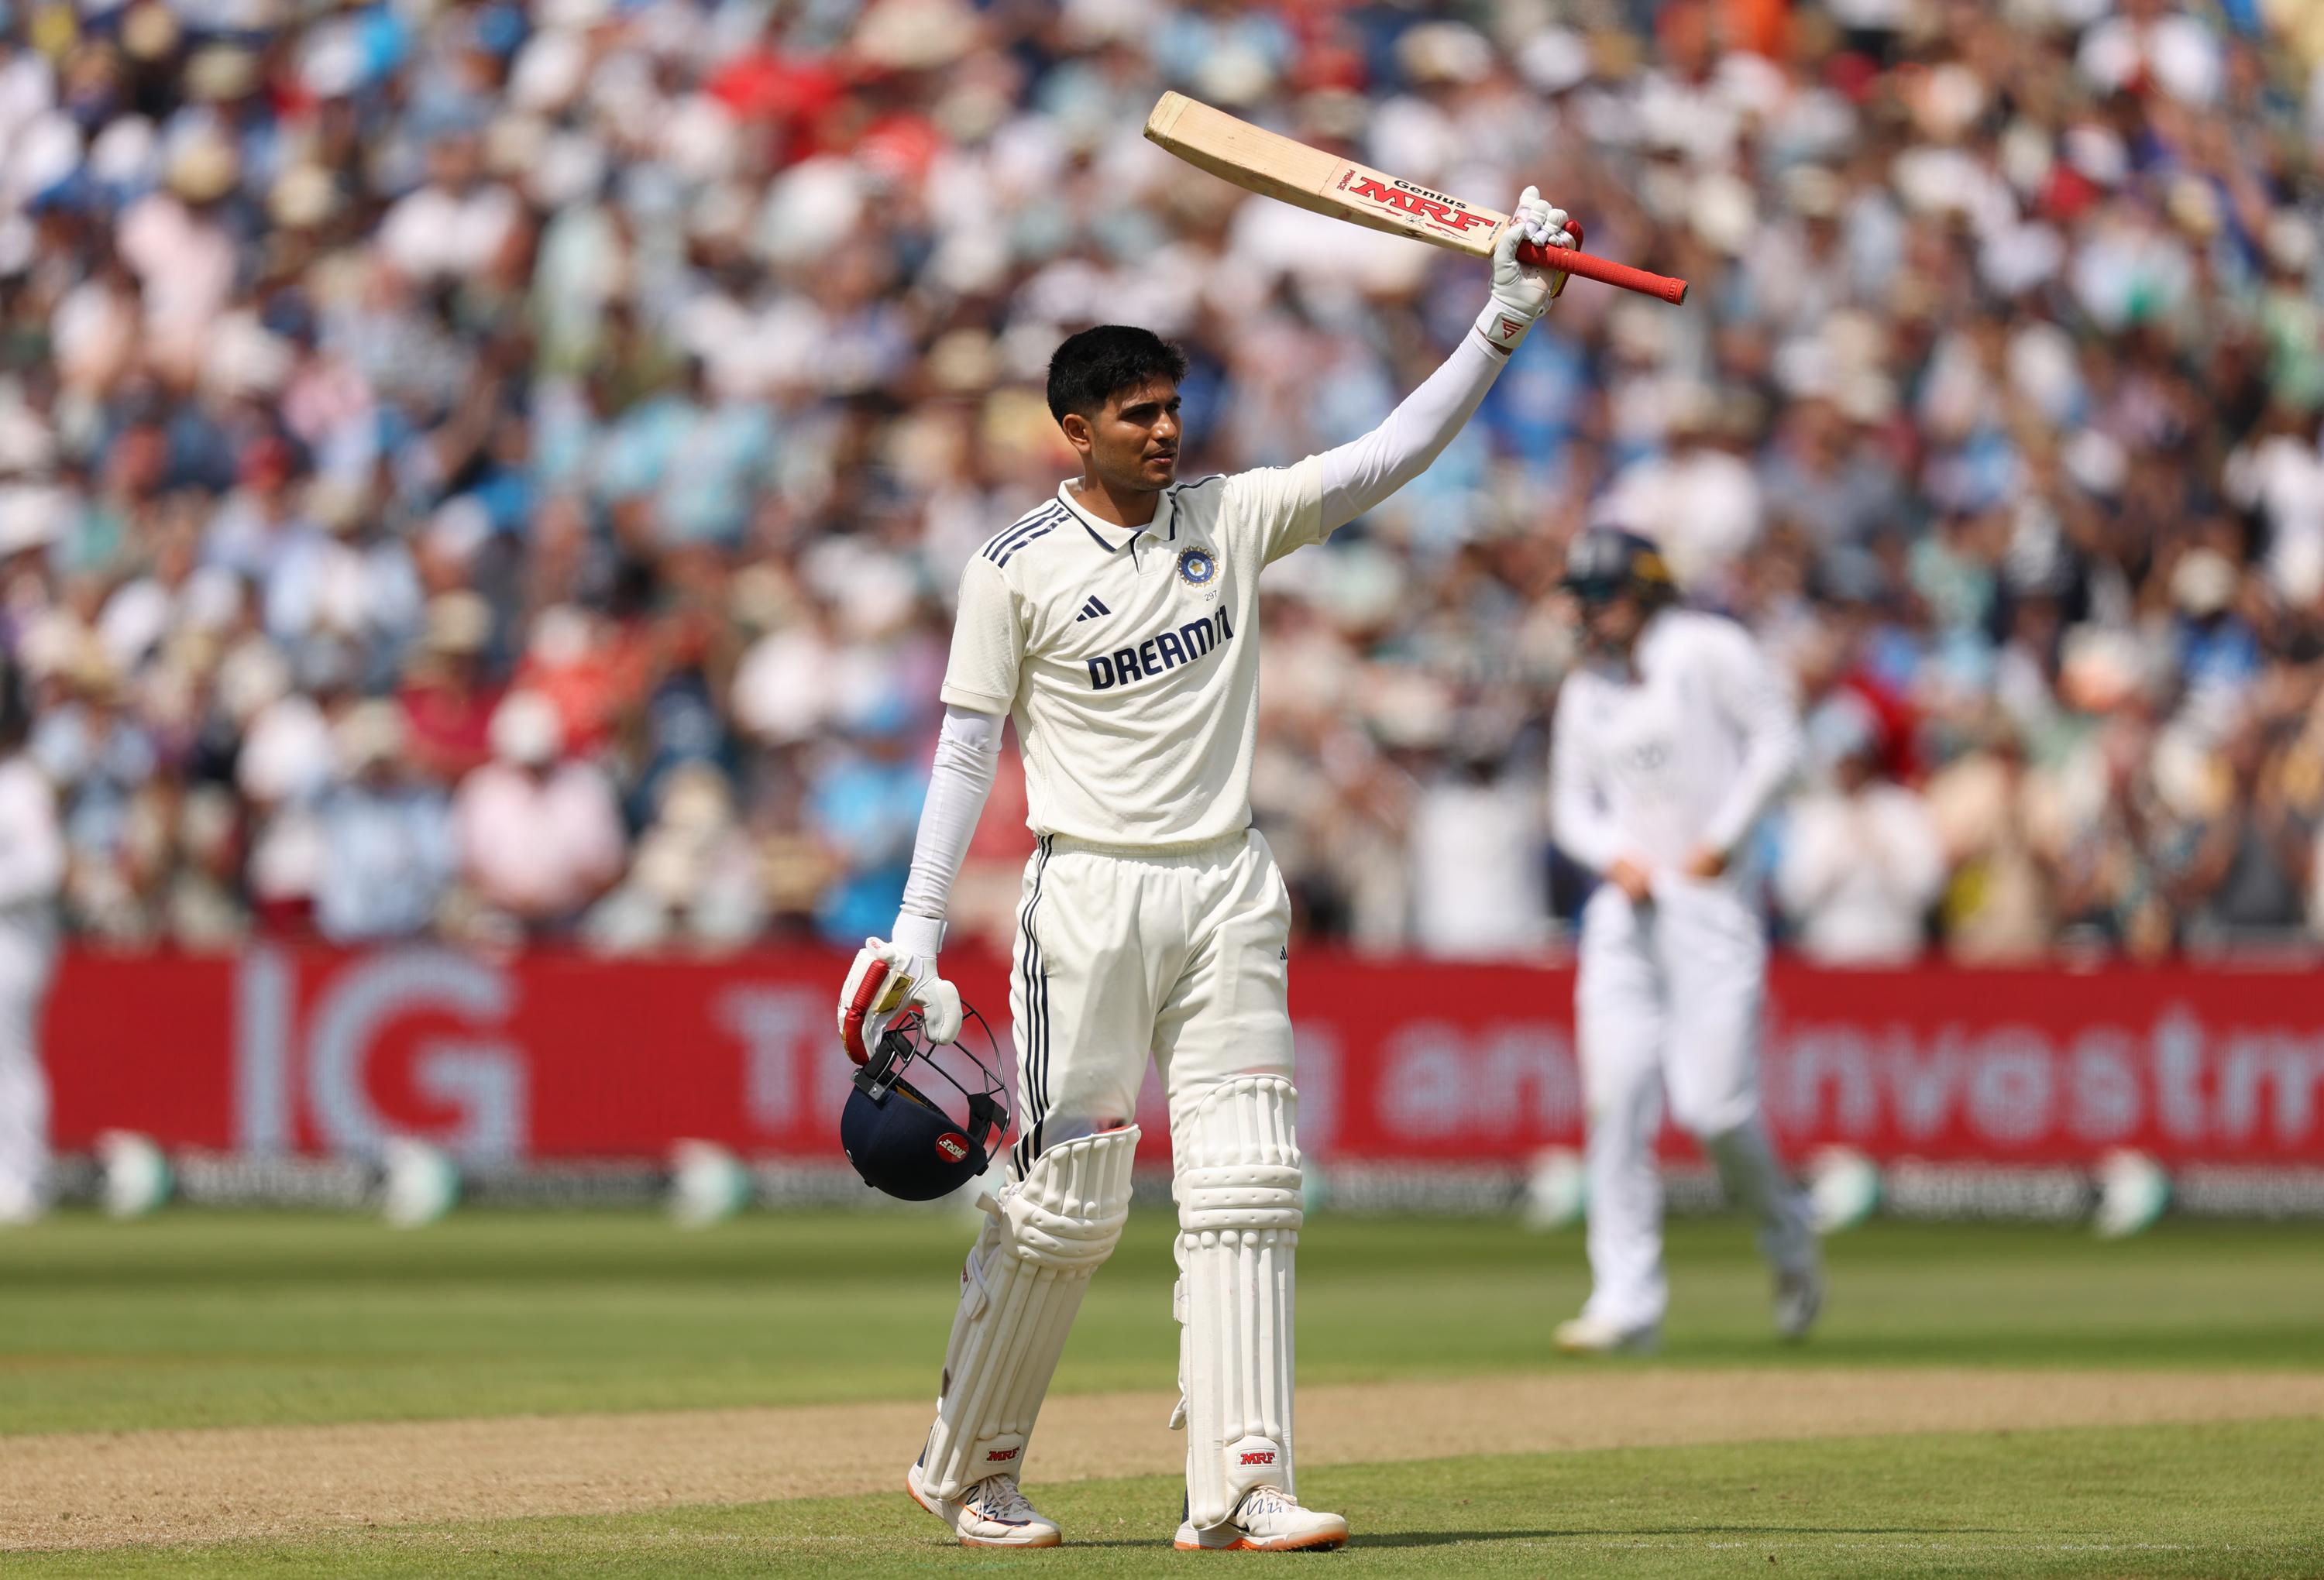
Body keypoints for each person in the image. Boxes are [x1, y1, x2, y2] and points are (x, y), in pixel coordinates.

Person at [834, 191, 1576, 1551]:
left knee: (1248, 1184)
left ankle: (1243, 1484)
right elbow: (962, 749)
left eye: (1174, 408)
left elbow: (1388, 454)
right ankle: (971, 1470)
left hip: (1228, 883)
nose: (1168, 432)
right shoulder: (1012, 571)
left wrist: (1506, 316)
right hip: (1089, 897)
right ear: (1075, 430)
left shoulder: (1226, 518)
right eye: (1138, 416)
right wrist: (918, 931)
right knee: (1069, 1203)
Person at [1546, 527, 1821, 1354]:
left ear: (1648, 592)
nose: (1592, 614)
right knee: (1616, 1101)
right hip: (1625, 916)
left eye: (1607, 596)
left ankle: (1789, 1240)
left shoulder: (1707, 649)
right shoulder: (1584, 692)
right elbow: (1571, 809)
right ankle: (1626, 1300)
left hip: (1711, 909)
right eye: (1584, 599)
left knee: (1715, 1108)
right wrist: (1614, 856)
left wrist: (1726, 838)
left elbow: (1780, 744)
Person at [0, 673, 64, 1225]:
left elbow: (44, 869)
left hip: (14, 940)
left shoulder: (23, 784)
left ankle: (23, 1177)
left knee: (10, 1058)